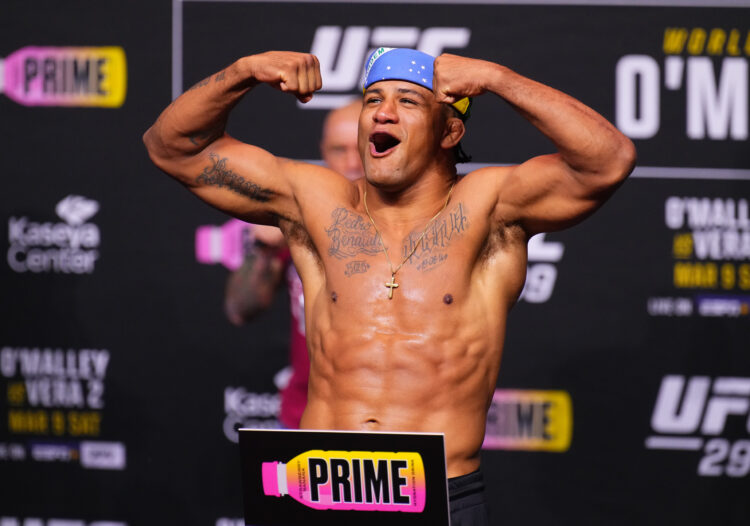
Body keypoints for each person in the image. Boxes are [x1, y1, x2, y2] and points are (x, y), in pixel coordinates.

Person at [144, 48, 635, 524]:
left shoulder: (490, 208)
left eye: (407, 101)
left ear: (450, 131)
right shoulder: (317, 205)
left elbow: (606, 161)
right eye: (374, 99)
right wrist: (243, 70)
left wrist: (496, 78)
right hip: (314, 485)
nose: (383, 113)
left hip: (431, 492)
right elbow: (172, 146)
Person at [224, 101, 363, 429]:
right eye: (339, 150)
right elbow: (239, 309)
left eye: (361, 147)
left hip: (391, 425)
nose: (353, 162)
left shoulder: (411, 219)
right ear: (323, 153)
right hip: (304, 419)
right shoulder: (301, 214)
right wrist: (263, 248)